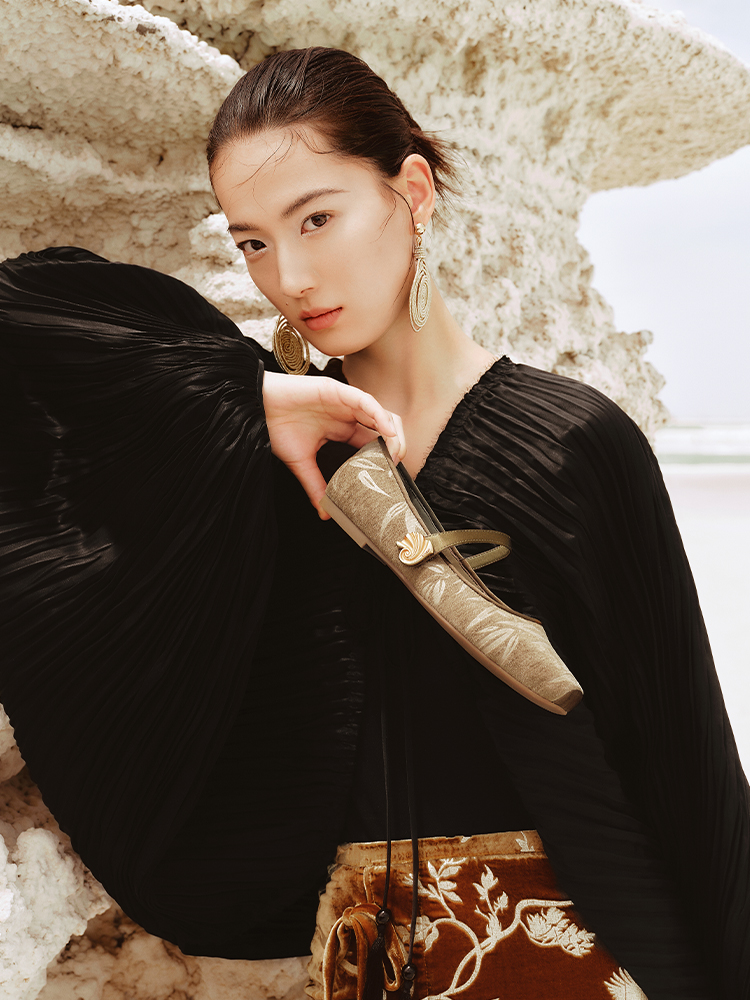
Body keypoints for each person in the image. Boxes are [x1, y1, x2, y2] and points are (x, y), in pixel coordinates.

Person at [1, 46, 748, 999]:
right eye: (252, 243)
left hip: (569, 965)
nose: (291, 275)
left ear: (413, 192)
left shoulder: (570, 444)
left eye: (317, 218)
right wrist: (246, 397)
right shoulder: (266, 464)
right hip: (361, 973)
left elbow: (687, 771)